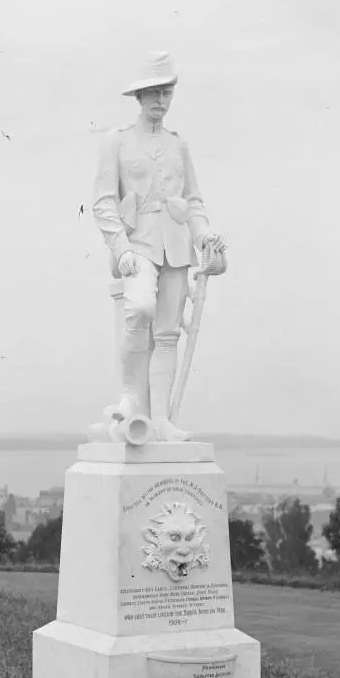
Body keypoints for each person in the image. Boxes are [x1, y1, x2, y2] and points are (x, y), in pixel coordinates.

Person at [91, 51, 226, 441]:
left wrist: (203, 236)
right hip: (137, 246)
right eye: (153, 92)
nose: (160, 101)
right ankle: (131, 397)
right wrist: (121, 249)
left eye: (166, 92)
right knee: (139, 309)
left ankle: (162, 419)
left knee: (168, 333)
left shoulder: (178, 145)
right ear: (138, 96)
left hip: (177, 246)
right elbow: (102, 201)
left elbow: (193, 200)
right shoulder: (116, 142)